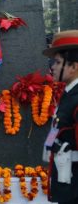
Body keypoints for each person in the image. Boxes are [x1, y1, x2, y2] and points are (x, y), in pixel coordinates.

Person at [42, 29, 78, 204]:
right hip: (67, 184)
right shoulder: (68, 95)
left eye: (57, 62)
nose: (52, 67)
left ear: (73, 66)